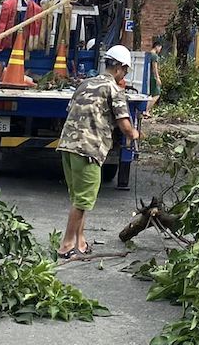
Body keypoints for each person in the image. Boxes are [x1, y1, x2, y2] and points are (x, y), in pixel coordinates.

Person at [55, 44, 139, 257]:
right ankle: (66, 246)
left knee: (79, 199)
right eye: (126, 70)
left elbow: (72, 110)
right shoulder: (114, 89)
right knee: (84, 200)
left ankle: (79, 242)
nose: (125, 75)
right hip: (89, 149)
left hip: (68, 145)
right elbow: (125, 126)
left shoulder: (84, 84)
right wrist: (136, 134)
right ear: (119, 68)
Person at [145, 39, 164, 115]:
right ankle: (146, 110)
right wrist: (158, 78)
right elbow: (154, 68)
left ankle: (146, 110)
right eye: (160, 48)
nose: (160, 50)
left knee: (150, 95)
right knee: (156, 94)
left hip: (147, 76)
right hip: (153, 77)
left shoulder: (148, 54)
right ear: (157, 47)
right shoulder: (154, 56)